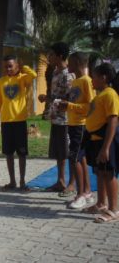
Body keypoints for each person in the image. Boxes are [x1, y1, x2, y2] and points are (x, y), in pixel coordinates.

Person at [0, 55, 37, 191]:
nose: (8, 69)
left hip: (19, 122)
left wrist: (23, 67)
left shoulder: (22, 79)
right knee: (8, 153)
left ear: (17, 66)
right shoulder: (1, 82)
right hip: (6, 123)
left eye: (11, 66)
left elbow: (33, 75)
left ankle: (23, 182)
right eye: (6, 66)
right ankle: (12, 181)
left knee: (22, 154)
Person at [82, 63, 119, 223]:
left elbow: (113, 121)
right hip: (96, 141)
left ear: (103, 77)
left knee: (109, 173)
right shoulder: (99, 95)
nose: (91, 80)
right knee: (99, 172)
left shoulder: (110, 94)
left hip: (106, 142)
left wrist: (106, 148)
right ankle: (101, 203)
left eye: (94, 76)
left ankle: (113, 209)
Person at [58, 52, 95, 209]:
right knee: (80, 159)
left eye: (71, 63)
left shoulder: (86, 81)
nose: (68, 65)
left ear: (79, 64)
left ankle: (80, 194)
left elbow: (91, 106)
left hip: (81, 125)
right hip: (73, 124)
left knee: (75, 159)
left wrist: (70, 106)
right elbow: (75, 103)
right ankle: (86, 192)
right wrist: (65, 106)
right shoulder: (75, 81)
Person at [38, 42, 75, 196]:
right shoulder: (55, 73)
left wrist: (51, 99)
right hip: (56, 119)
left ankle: (72, 184)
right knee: (59, 152)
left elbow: (69, 98)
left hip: (66, 120)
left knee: (70, 152)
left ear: (60, 56)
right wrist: (47, 98)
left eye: (51, 55)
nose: (49, 58)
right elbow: (56, 96)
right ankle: (60, 181)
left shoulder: (68, 75)